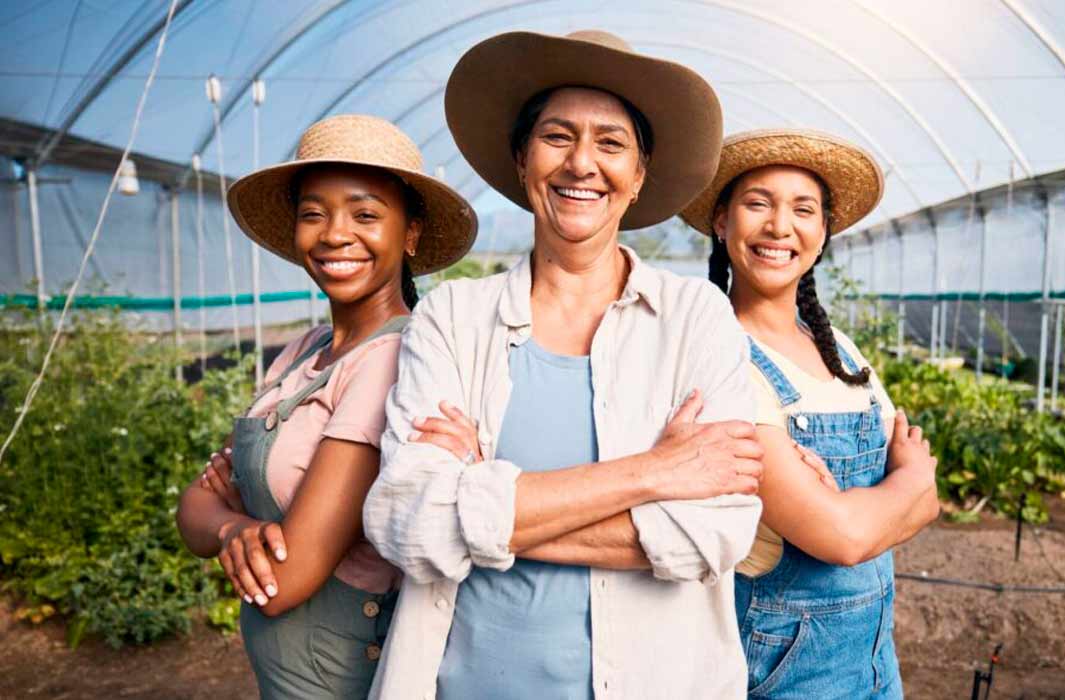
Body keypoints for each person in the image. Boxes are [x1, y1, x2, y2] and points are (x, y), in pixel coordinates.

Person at [362, 30, 763, 699]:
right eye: (557, 136)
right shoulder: (453, 317)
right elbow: (407, 524)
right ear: (522, 160)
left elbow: (717, 531)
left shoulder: (696, 317)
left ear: (637, 177)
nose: (582, 163)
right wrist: (654, 473)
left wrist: (481, 504)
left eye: (611, 143)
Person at [175, 114, 477, 699]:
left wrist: (226, 517)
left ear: (410, 234)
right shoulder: (303, 350)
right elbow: (192, 512)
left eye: (365, 215)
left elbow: (286, 580)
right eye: (314, 213)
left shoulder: (392, 360)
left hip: (339, 675)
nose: (335, 234)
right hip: (284, 672)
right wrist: (235, 527)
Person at [680, 128, 941, 698]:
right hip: (783, 666)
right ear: (720, 223)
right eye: (758, 204)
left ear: (822, 233)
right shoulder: (719, 357)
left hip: (875, 657)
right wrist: (904, 485)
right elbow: (843, 538)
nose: (780, 226)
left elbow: (928, 503)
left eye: (803, 209)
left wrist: (866, 504)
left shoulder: (838, 346)